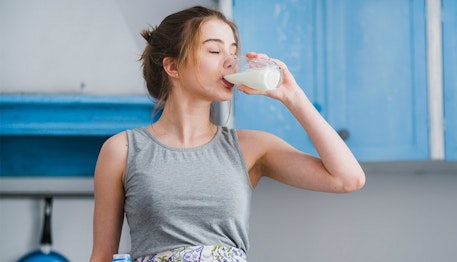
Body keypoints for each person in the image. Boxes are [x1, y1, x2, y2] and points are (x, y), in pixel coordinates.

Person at [90, 5, 365, 262]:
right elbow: (102, 256)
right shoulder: (123, 150)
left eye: (233, 52)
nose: (231, 62)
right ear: (172, 66)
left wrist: (292, 96)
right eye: (214, 51)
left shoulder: (251, 147)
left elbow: (347, 179)